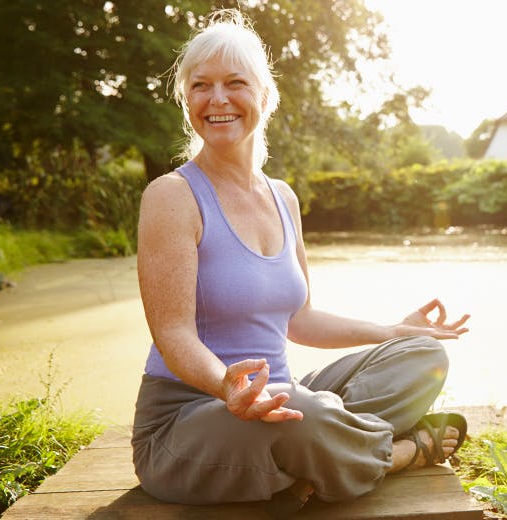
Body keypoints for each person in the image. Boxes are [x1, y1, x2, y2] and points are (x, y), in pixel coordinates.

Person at [131, 9, 471, 518]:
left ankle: (315, 453)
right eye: (200, 86)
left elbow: (300, 319)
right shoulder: (172, 196)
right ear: (187, 103)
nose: (217, 99)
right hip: (189, 420)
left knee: (421, 355)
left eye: (234, 83)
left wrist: (391, 330)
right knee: (302, 415)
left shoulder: (283, 198)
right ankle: (399, 453)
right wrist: (230, 386)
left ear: (265, 97)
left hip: (282, 399)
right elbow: (173, 334)